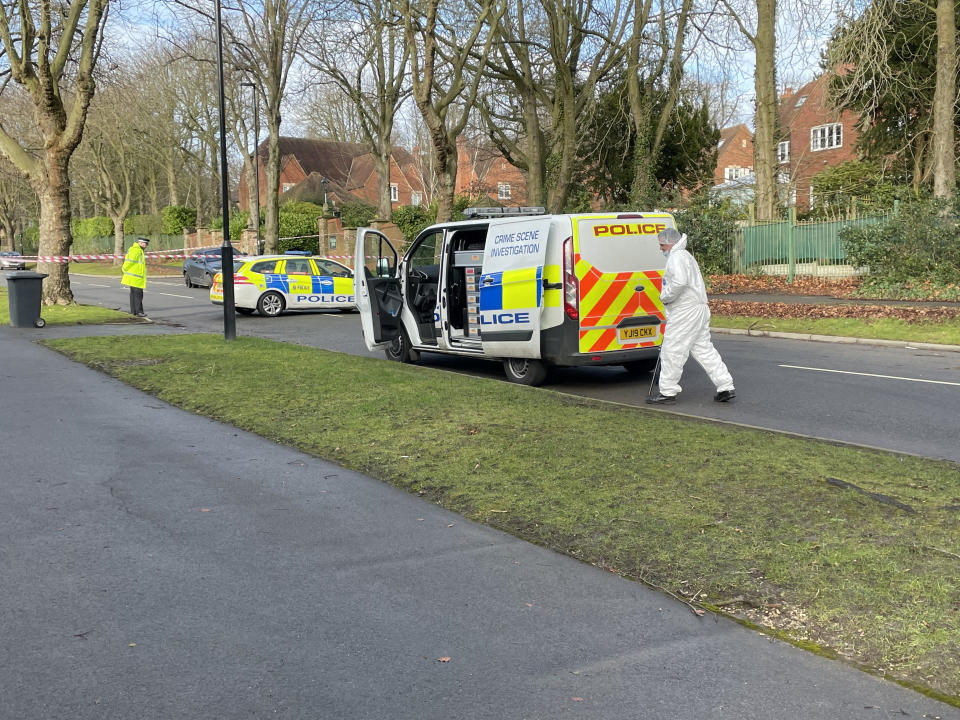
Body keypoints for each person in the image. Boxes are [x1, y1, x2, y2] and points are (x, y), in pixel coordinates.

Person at [647, 227, 735, 404]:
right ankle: (725, 385)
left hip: (685, 311)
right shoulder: (686, 256)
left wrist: (665, 296)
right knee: (703, 349)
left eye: (662, 245)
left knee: (672, 350)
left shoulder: (676, 257)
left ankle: (667, 392)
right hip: (698, 309)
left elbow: (679, 282)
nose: (661, 248)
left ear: (670, 243)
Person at [121, 236, 150, 318]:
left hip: (134, 277)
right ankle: (139, 312)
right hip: (136, 278)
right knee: (138, 295)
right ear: (140, 243)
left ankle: (133, 311)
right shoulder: (137, 251)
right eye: (145, 243)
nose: (146, 245)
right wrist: (124, 268)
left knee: (133, 294)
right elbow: (130, 261)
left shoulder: (135, 249)